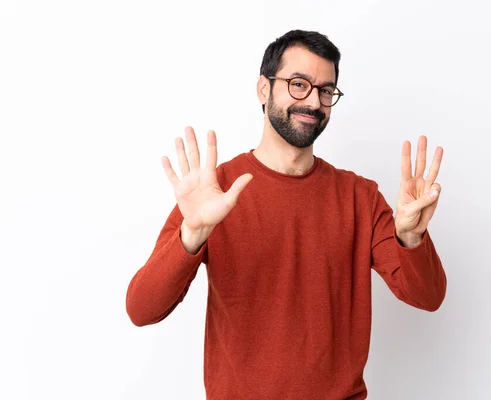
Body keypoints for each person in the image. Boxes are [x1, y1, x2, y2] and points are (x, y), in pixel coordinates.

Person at [126, 29, 446, 400]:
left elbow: (429, 297)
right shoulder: (215, 192)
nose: (313, 101)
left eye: (326, 90)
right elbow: (141, 309)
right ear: (264, 89)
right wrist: (192, 233)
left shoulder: (361, 197)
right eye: (298, 84)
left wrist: (411, 238)